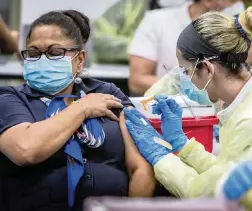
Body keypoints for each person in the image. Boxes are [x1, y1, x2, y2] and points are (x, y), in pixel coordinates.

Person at [0, 10, 156, 211]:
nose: (42, 60)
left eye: (55, 52)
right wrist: (82, 107)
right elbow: (26, 150)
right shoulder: (10, 99)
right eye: (33, 53)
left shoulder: (107, 92)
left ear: (80, 60)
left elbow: (142, 168)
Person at [124, 5, 252, 211]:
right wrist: (182, 145)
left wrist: (159, 156)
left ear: (208, 68)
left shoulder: (251, 121)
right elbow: (221, 172)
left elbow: (201, 193)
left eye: (185, 70)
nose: (182, 79)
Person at [128, 0, 221, 96]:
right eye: (232, 1)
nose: (236, 4)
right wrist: (182, 87)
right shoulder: (157, 21)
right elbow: (137, 82)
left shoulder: (229, 27)